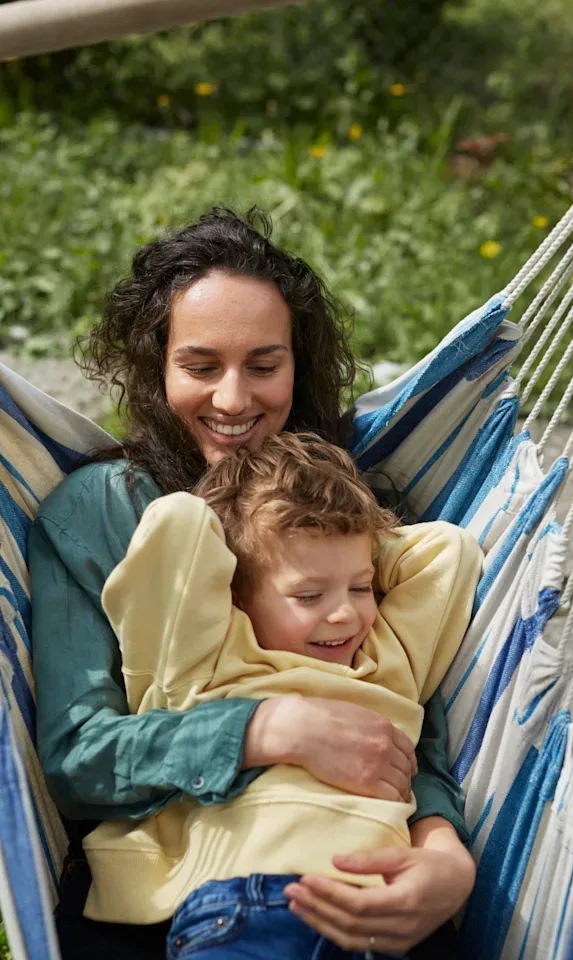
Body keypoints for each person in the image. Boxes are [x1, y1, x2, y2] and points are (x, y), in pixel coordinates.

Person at [29, 206, 478, 960]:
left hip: (365, 872)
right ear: (156, 366)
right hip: (183, 898)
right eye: (201, 367)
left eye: (264, 366)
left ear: (298, 366)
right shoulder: (102, 515)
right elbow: (77, 760)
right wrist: (269, 728)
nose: (234, 400)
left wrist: (442, 853)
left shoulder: (348, 506)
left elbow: (406, 714)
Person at [82, 433, 483, 960]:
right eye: (309, 595)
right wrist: (252, 543)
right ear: (234, 592)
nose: (344, 614)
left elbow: (448, 549)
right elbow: (177, 523)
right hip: (252, 906)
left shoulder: (388, 666)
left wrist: (350, 533)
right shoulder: (205, 659)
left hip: (382, 915)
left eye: (362, 588)